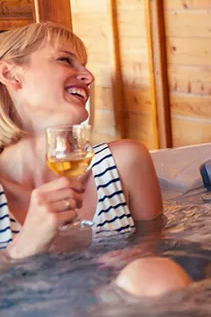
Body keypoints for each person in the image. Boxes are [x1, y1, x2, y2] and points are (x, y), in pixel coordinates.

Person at [0, 22, 190, 297]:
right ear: (10, 74)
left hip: (117, 314)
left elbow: (157, 241)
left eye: (85, 66)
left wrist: (136, 254)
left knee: (152, 274)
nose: (88, 76)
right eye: (66, 60)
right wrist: (21, 248)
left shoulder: (124, 162)